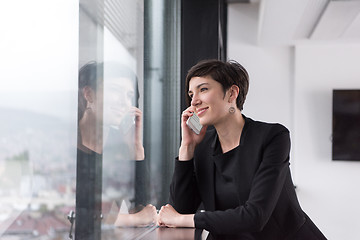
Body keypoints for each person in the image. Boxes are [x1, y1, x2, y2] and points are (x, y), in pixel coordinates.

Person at [157, 59, 327, 239]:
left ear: (232, 93)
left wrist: (184, 219)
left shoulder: (273, 137)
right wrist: (187, 147)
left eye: (203, 89)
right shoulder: (203, 146)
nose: (194, 101)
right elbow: (179, 211)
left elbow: (255, 216)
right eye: (191, 94)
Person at [75, 61, 157, 238]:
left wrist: (135, 146)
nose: (124, 102)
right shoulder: (69, 144)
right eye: (115, 91)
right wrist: (131, 220)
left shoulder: (116, 145)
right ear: (89, 94)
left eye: (129, 95)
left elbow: (143, 207)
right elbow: (76, 214)